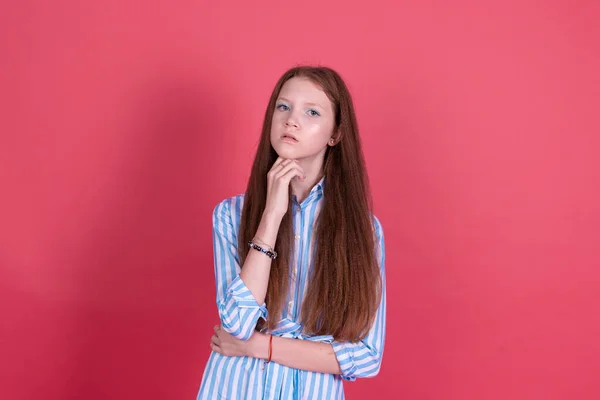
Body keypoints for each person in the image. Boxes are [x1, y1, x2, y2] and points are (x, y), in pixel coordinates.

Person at [196, 65, 386, 400]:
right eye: (283, 107)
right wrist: (271, 215)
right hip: (234, 389)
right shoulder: (231, 214)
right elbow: (237, 323)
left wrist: (260, 345)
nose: (291, 120)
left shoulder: (364, 232)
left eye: (311, 112)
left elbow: (366, 356)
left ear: (335, 134)